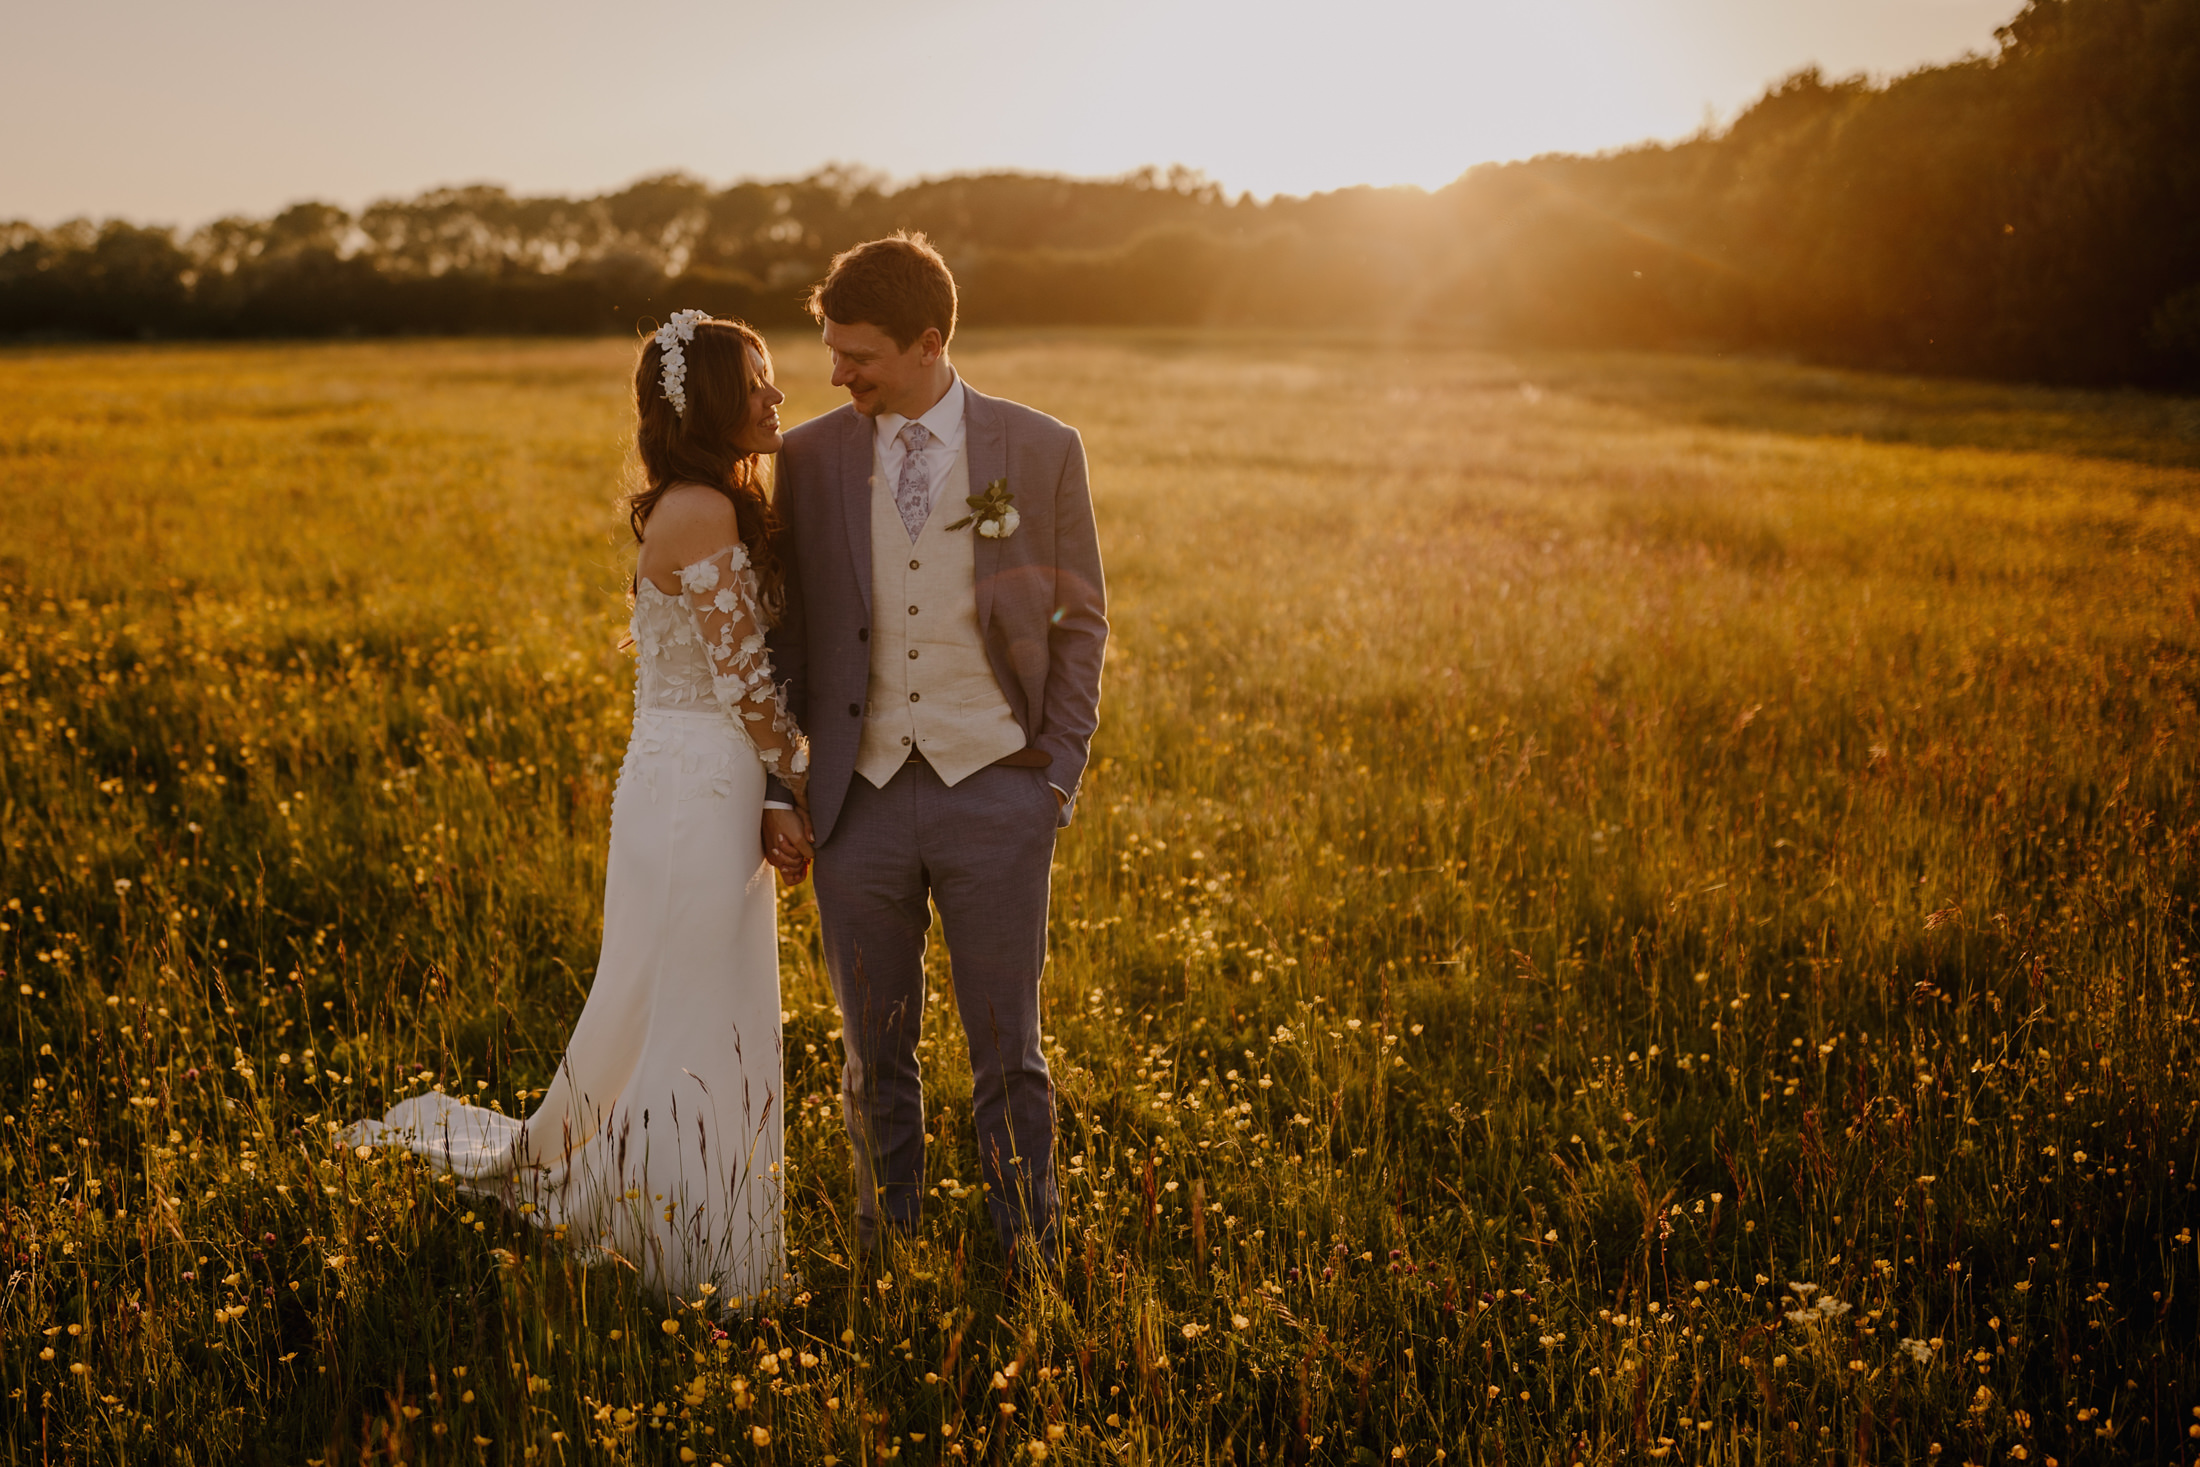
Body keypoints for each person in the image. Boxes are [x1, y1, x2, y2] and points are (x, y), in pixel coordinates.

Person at [348, 312, 809, 1304]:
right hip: (696, 788)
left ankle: (697, 1225)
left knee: (689, 999)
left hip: (694, 778)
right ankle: (683, 1241)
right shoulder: (701, 509)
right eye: (757, 382)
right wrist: (810, 782)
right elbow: (744, 685)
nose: (777, 396)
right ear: (711, 404)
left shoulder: (716, 500)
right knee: (692, 1006)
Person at [762, 233, 1106, 1278]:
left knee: (1008, 1050)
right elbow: (785, 634)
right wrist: (784, 784)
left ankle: (1028, 1255)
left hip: (998, 791)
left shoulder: (1040, 447)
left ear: (927, 342)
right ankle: (889, 1255)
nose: (836, 373)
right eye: (830, 349)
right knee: (873, 1050)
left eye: (857, 353)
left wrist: (1055, 772)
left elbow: (1079, 619)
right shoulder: (808, 459)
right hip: (856, 800)